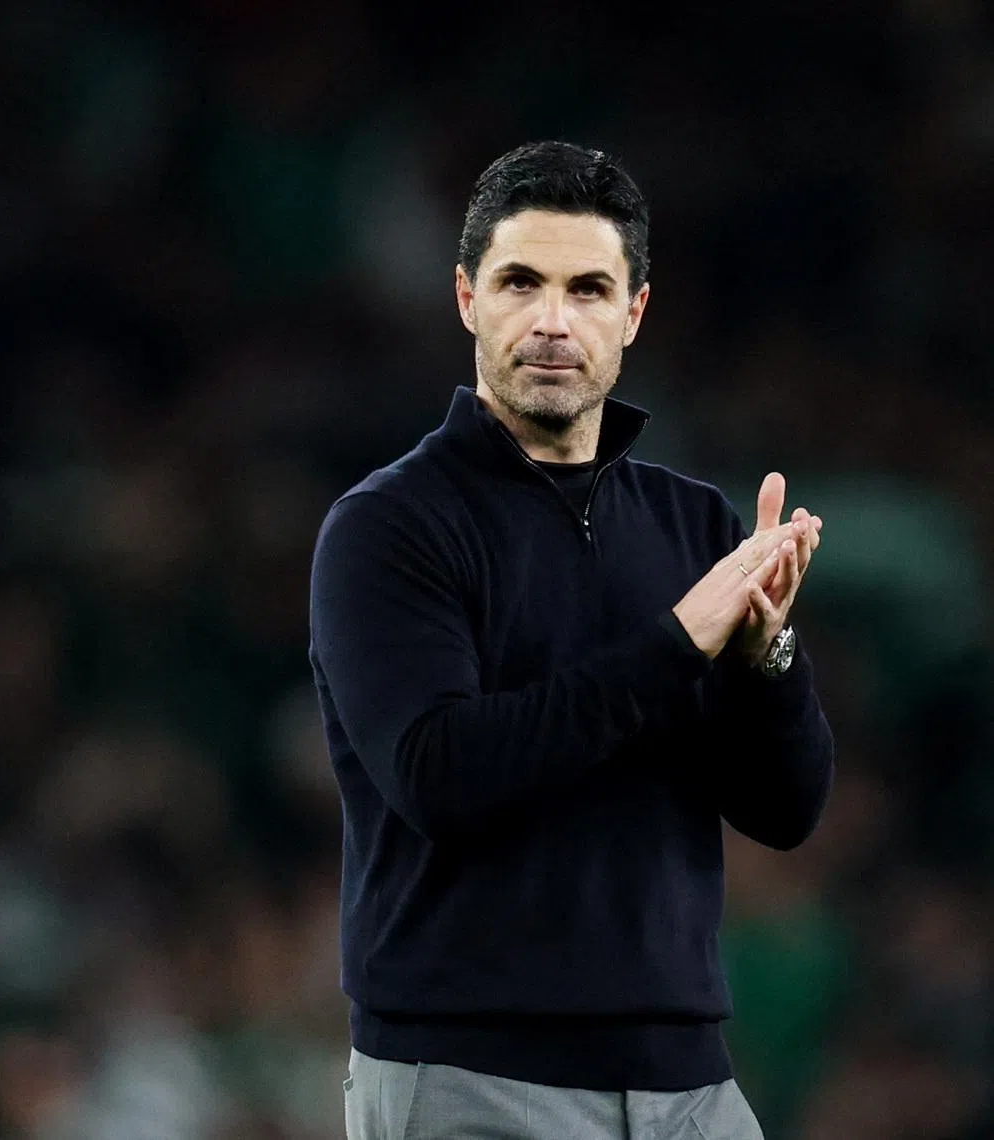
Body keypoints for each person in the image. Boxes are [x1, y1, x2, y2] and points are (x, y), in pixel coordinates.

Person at [309, 140, 834, 1140]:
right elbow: (438, 775)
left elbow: (785, 809)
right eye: (521, 282)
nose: (553, 320)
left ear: (633, 312)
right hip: (472, 1080)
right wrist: (679, 643)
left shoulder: (694, 525)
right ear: (468, 298)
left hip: (690, 1082)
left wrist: (769, 659)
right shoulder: (389, 527)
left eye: (589, 288)